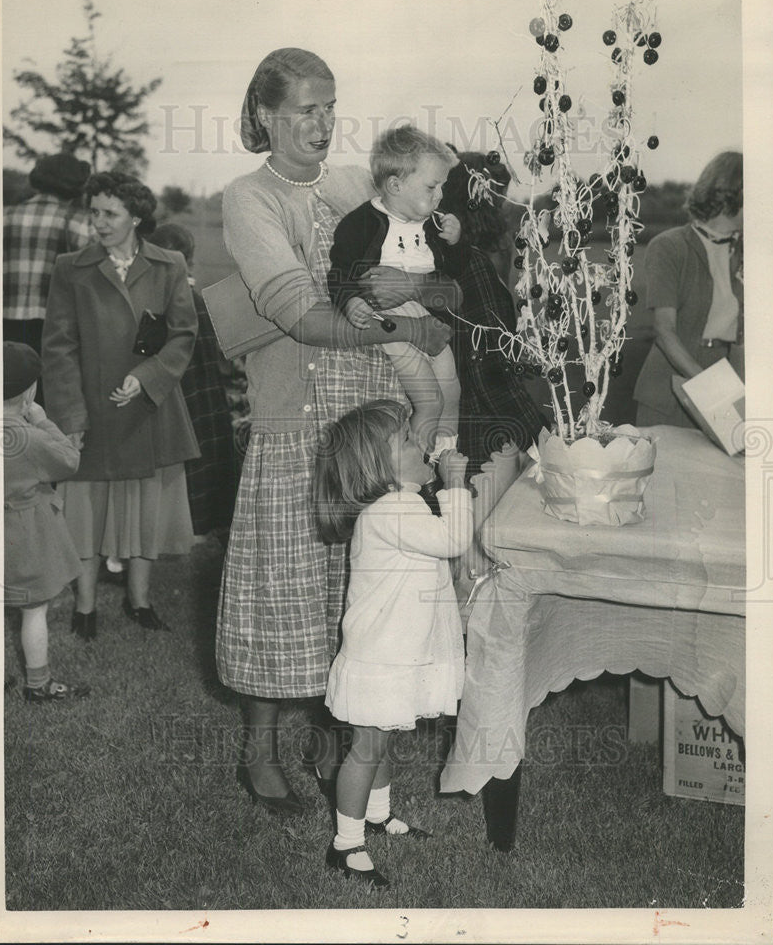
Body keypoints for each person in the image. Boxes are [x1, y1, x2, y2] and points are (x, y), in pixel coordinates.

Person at [215, 48, 455, 816]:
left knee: (356, 592)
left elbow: (439, 270)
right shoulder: (248, 199)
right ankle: (259, 752)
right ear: (264, 116)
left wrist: (419, 292)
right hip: (295, 419)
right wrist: (404, 331)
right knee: (280, 591)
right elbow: (297, 315)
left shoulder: (358, 185)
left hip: (369, 422)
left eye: (330, 107)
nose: (322, 125)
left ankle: (334, 739)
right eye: (304, 111)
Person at [313, 400, 472, 887]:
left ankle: (378, 816)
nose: (419, 443)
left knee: (385, 740)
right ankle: (346, 844)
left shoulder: (400, 502)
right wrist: (456, 486)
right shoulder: (389, 511)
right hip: (380, 654)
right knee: (367, 746)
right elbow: (454, 540)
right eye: (406, 440)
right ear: (377, 467)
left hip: (397, 650)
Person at [42, 171, 200, 639]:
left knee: (144, 508)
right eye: (93, 212)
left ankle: (141, 601)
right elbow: (58, 348)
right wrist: (70, 417)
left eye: (109, 213)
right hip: (91, 410)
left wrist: (147, 377)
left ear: (135, 216)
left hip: (150, 407)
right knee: (86, 512)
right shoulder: (71, 267)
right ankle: (85, 608)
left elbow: (182, 335)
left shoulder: (169, 264)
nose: (99, 222)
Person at [327, 124, 468, 458]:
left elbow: (454, 275)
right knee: (429, 400)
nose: (440, 196)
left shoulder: (433, 224)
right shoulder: (360, 223)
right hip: (389, 324)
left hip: (427, 318)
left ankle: (446, 456)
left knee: (452, 390)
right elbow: (339, 271)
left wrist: (457, 243)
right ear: (395, 185)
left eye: (442, 187)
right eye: (432, 186)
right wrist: (350, 301)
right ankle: (419, 467)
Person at [438, 153, 547, 477]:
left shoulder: (453, 258)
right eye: (498, 194)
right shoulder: (472, 265)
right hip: (481, 432)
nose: (503, 204)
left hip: (462, 423)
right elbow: (486, 366)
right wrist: (541, 436)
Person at [2, 342, 90, 703]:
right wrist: (39, 417)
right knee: (32, 610)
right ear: (29, 390)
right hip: (24, 536)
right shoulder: (28, 436)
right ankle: (38, 685)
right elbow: (69, 460)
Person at [633, 151, 744, 427]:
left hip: (727, 389)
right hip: (669, 393)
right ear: (731, 195)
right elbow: (664, 331)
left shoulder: (747, 253)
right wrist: (712, 390)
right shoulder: (669, 247)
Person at [148, 223, 239, 539]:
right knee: (204, 460)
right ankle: (199, 527)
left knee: (181, 465)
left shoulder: (154, 304)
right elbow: (224, 361)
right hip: (206, 395)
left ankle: (178, 529)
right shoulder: (203, 301)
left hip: (179, 396)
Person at [3, 153, 93, 396]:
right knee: (44, 399)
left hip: (4, 326)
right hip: (54, 329)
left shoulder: (5, 216)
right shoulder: (79, 223)